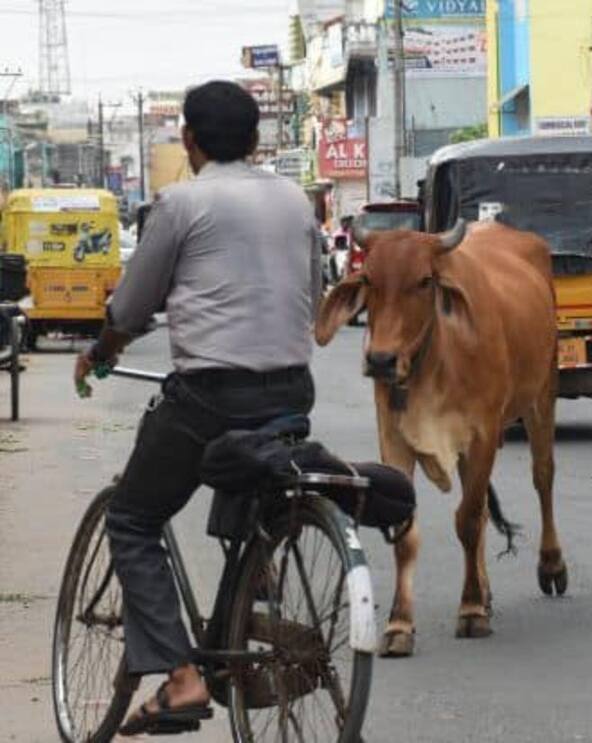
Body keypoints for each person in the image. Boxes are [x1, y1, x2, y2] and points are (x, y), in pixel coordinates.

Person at [73, 81, 323, 736]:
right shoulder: (297, 199)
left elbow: (130, 309)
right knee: (242, 458)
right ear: (257, 141)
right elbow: (312, 295)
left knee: (132, 515)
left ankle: (180, 677)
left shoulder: (181, 203)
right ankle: (253, 574)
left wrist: (100, 351)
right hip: (293, 388)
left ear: (188, 140)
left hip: (210, 396)